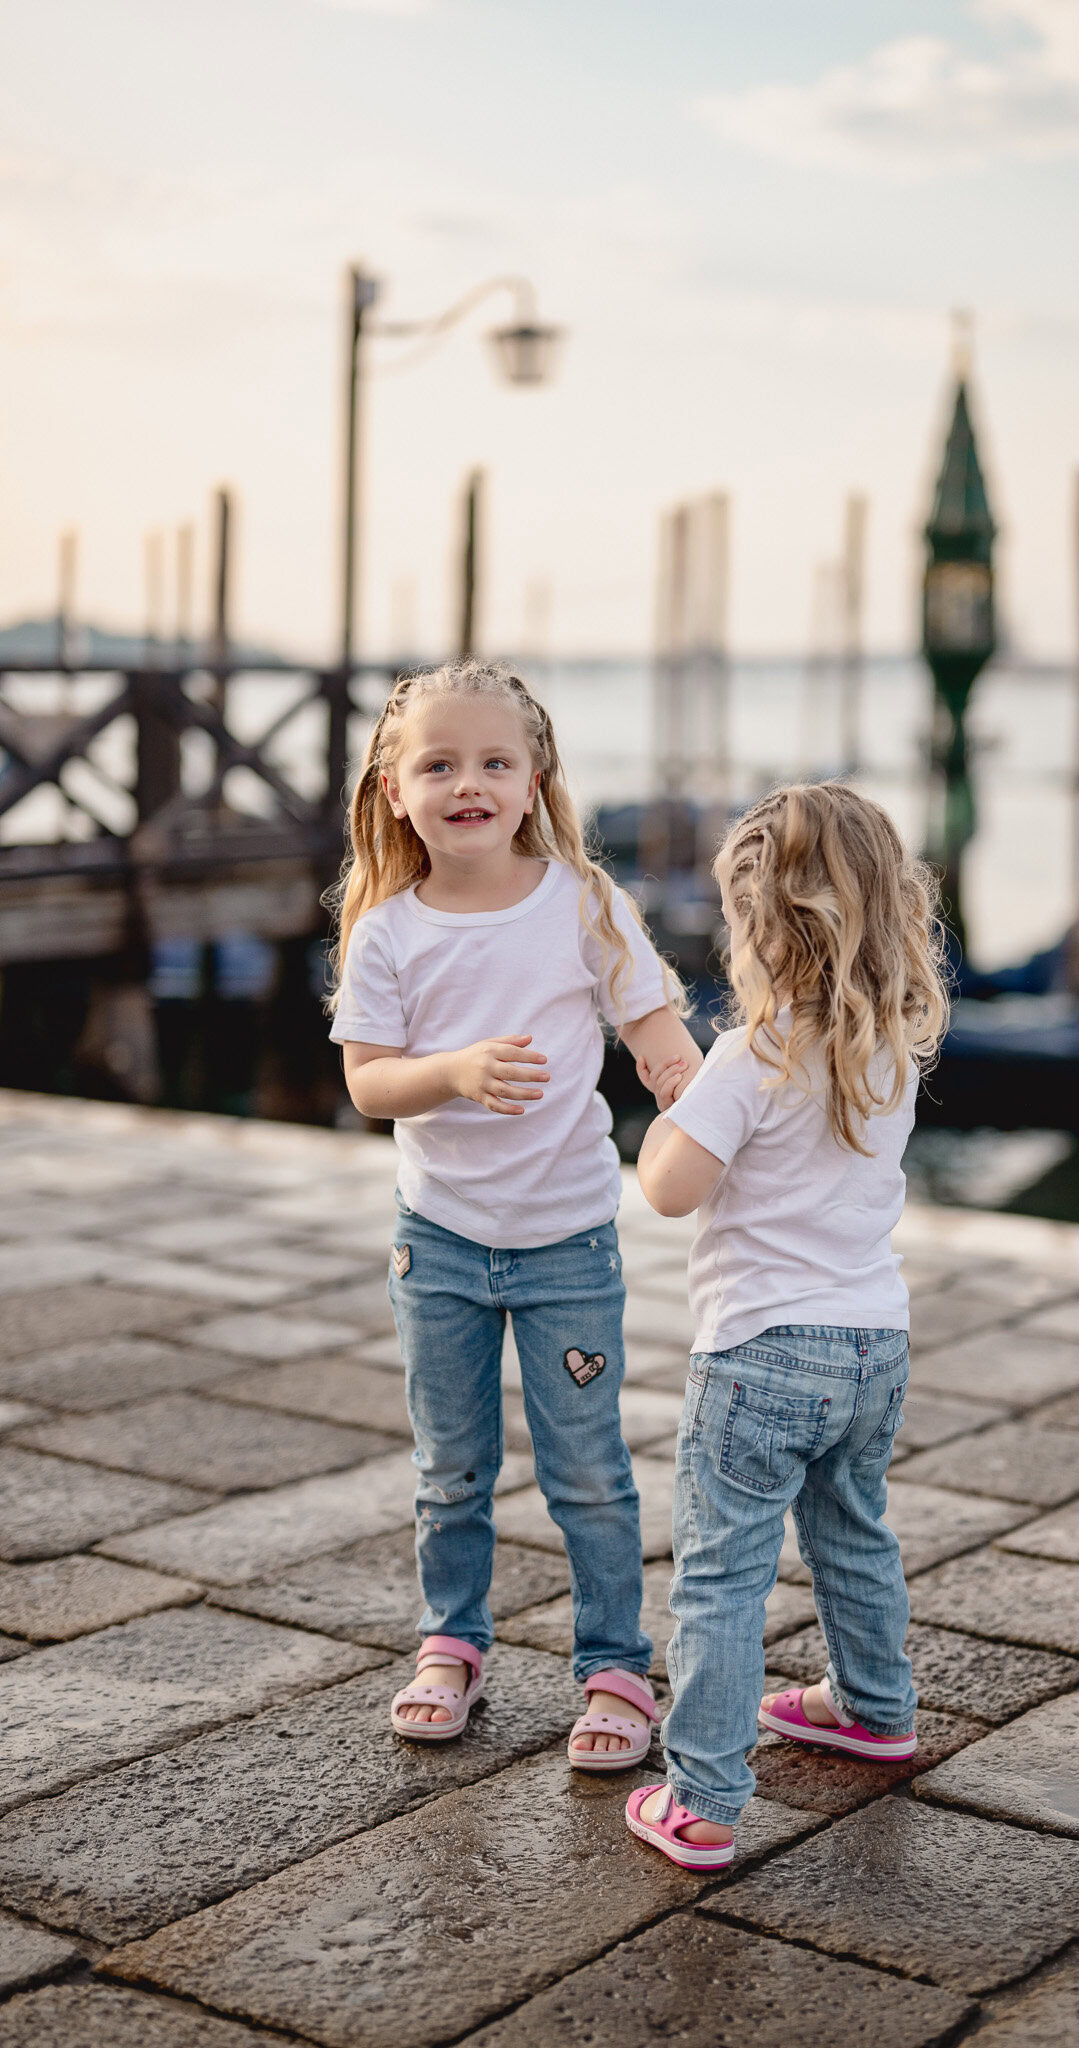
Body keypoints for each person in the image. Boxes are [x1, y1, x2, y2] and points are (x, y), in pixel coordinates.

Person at [328, 658, 701, 1762]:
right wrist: (450, 1072)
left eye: (494, 760)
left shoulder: (585, 902)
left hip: (567, 1241)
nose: (468, 782)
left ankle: (615, 1667)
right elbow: (366, 1081)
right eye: (438, 764)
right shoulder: (388, 929)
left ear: (534, 780)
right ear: (395, 789)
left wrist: (704, 1091)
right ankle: (451, 1640)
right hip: (436, 1240)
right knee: (451, 1466)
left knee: (587, 1467)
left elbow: (659, 1036)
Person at [623, 782, 949, 1871]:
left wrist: (672, 1105)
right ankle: (876, 1704)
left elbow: (669, 1188)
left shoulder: (747, 1056)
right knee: (854, 1529)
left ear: (759, 927)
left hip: (760, 1351)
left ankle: (704, 1798)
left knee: (720, 1575)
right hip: (871, 1347)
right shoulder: (890, 1050)